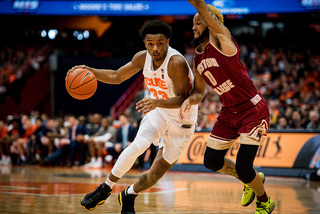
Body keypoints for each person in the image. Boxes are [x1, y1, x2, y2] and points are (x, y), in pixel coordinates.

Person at [70, 19, 198, 213]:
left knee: (154, 175)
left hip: (182, 120)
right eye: (150, 43)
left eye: (160, 43)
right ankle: (105, 188)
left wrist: (157, 102)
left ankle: (128, 193)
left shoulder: (176, 62)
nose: (155, 48)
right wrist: (90, 72)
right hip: (159, 111)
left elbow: (184, 99)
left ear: (168, 42)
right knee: (138, 145)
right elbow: (116, 76)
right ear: (145, 43)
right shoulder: (142, 57)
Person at [179, 1, 275, 213]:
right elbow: (199, 91)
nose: (193, 27)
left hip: (252, 109)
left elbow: (202, 7)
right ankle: (252, 180)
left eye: (198, 22)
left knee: (243, 166)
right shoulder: (197, 56)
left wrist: (199, 7)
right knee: (211, 162)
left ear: (211, 23)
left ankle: (264, 201)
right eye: (193, 23)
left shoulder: (222, 40)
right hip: (228, 111)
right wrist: (187, 101)